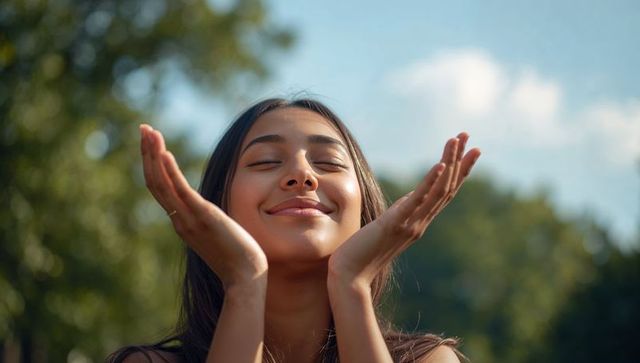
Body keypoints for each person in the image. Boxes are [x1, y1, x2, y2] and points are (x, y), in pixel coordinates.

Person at [107, 98, 481, 363]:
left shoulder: (430, 360)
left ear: (366, 207)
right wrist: (244, 282)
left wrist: (351, 284)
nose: (302, 175)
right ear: (218, 206)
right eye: (267, 161)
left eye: (328, 162)